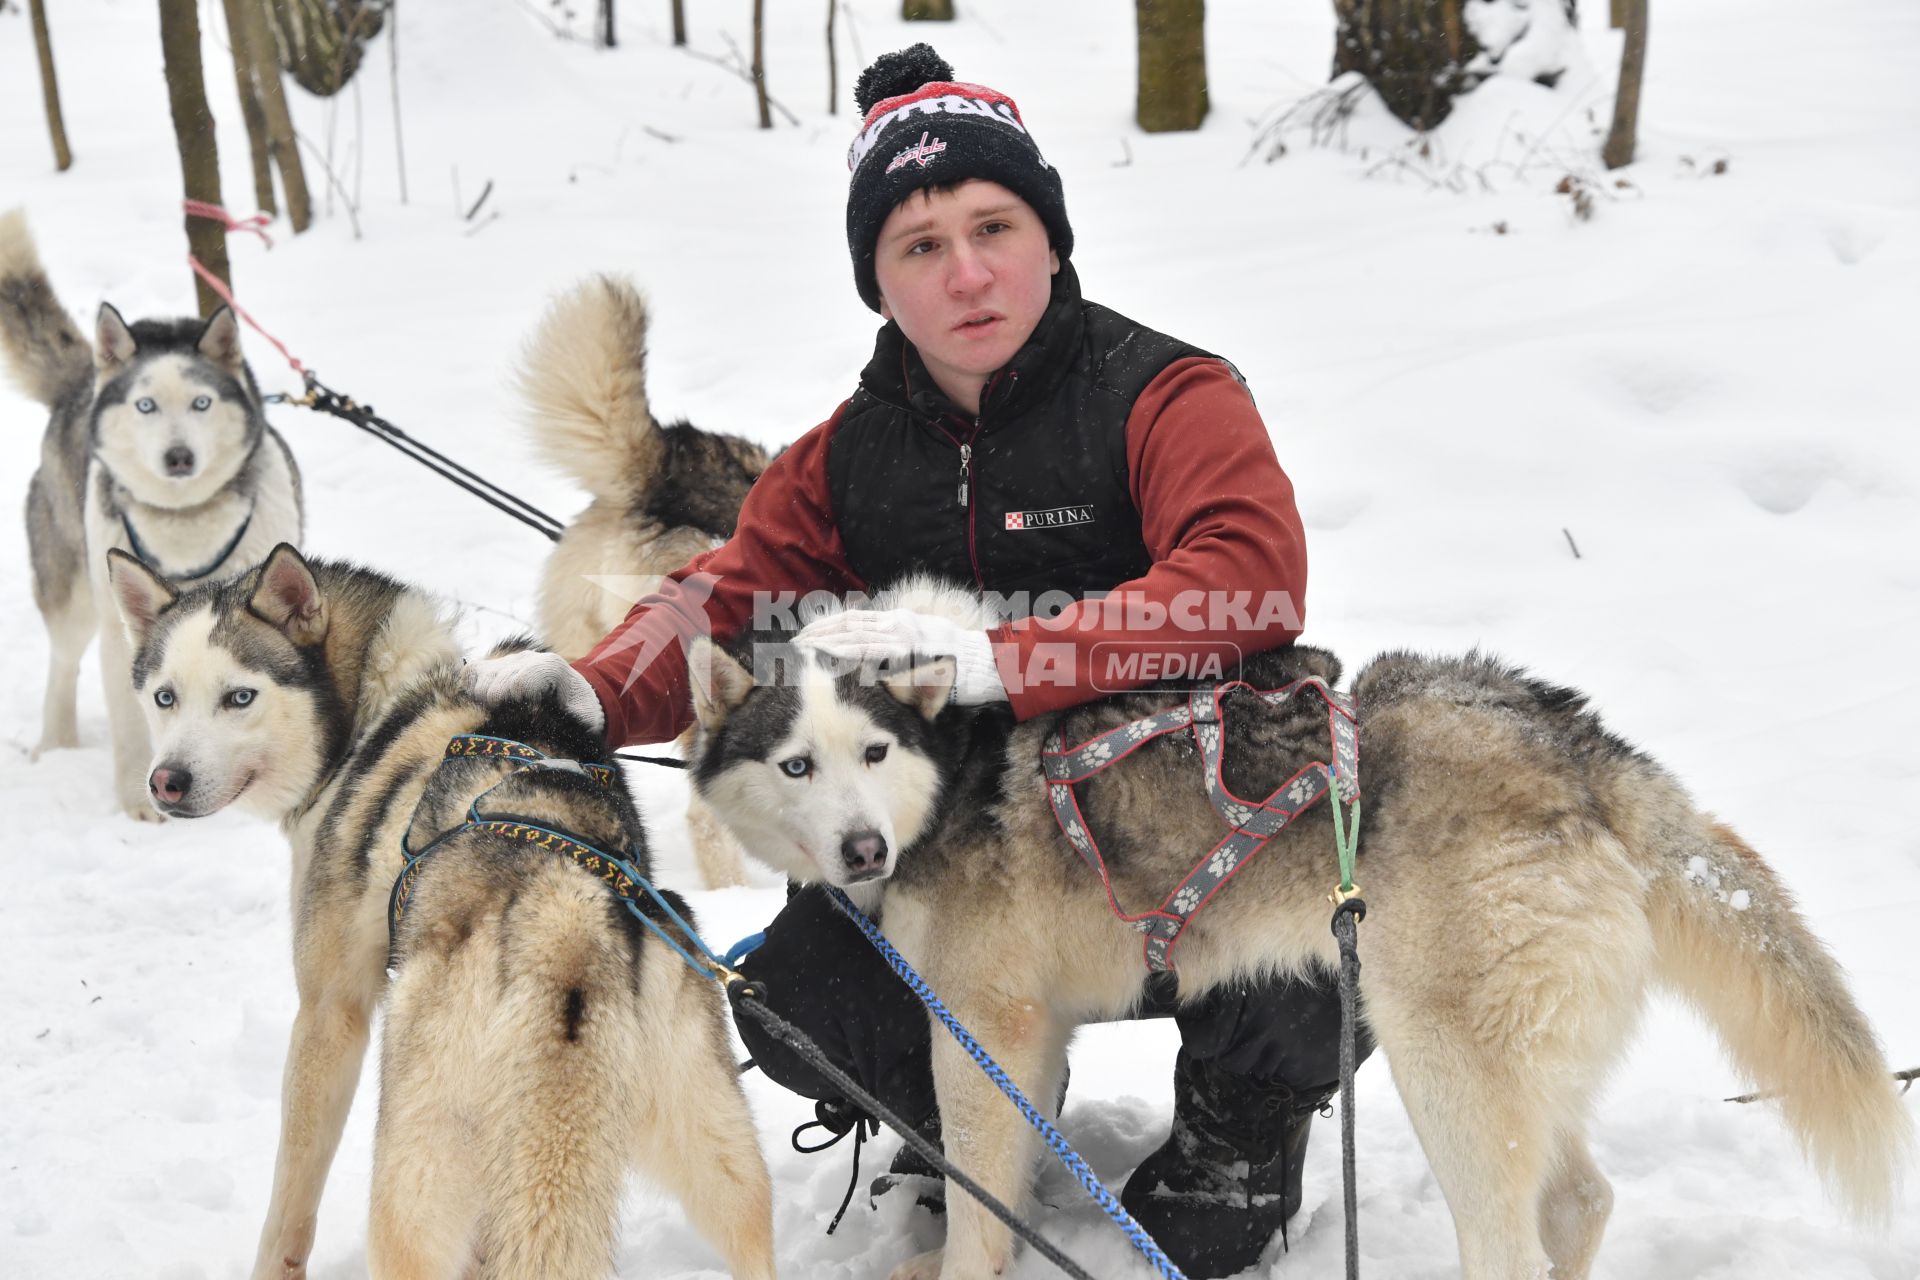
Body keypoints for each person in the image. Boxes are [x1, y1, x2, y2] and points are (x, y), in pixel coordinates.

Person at [470, 43, 1373, 1278]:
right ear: (878, 283)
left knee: (1329, 919)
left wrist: (1002, 657)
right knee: (798, 998)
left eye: (993, 226)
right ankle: (949, 1118)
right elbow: (725, 604)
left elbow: (1245, 574)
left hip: (1179, 831)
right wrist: (594, 685)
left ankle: (1243, 1122)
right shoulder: (846, 457)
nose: (966, 271)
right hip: (945, 855)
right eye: (918, 245)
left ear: (1049, 238)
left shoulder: (1165, 394)